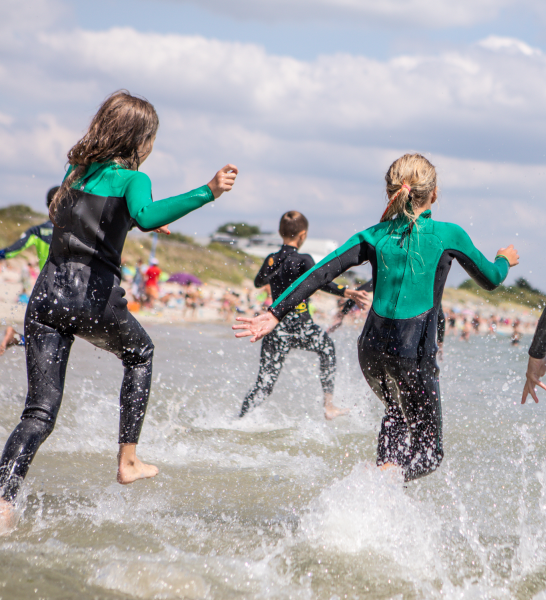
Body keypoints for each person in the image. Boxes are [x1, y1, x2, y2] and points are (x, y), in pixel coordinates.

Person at [0, 90, 238, 531]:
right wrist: (208, 191)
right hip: (92, 298)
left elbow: (88, 221)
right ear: (139, 139)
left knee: (38, 413)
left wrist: (130, 218)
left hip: (47, 295)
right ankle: (128, 459)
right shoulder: (134, 180)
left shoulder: (76, 171)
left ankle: (2, 502)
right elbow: (145, 216)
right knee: (140, 353)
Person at [234, 154, 518, 481]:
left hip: (370, 352)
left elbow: (317, 273)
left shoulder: (372, 235)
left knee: (396, 414)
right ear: (434, 194)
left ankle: (377, 502)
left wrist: (274, 313)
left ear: (391, 193)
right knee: (429, 453)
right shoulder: (449, 235)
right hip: (412, 356)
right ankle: (375, 481)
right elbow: (492, 279)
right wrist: (504, 259)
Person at [239, 211, 369, 420]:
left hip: (276, 328)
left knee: (264, 383)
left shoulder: (272, 259)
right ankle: (329, 406)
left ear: (281, 232)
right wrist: (346, 291)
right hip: (301, 327)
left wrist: (274, 272)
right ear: (302, 235)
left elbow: (258, 282)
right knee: (327, 348)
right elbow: (320, 280)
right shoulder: (303, 259)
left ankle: (240, 419)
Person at [0, 187, 58, 270]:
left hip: (47, 280)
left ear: (47, 204)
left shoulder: (38, 231)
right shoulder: (75, 232)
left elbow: (11, 251)